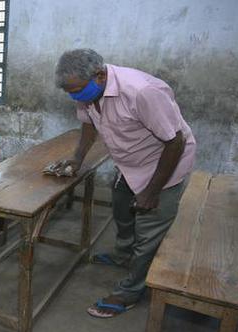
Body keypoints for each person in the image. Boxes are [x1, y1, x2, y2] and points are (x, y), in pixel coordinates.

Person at [54, 49, 196, 318]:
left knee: (149, 230)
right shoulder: (88, 91)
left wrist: (152, 192)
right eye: (69, 92)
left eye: (76, 90)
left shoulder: (141, 92)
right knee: (121, 209)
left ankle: (131, 291)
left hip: (163, 165)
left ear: (99, 75)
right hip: (131, 164)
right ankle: (123, 254)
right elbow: (88, 125)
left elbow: (174, 142)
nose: (74, 97)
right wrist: (76, 158)